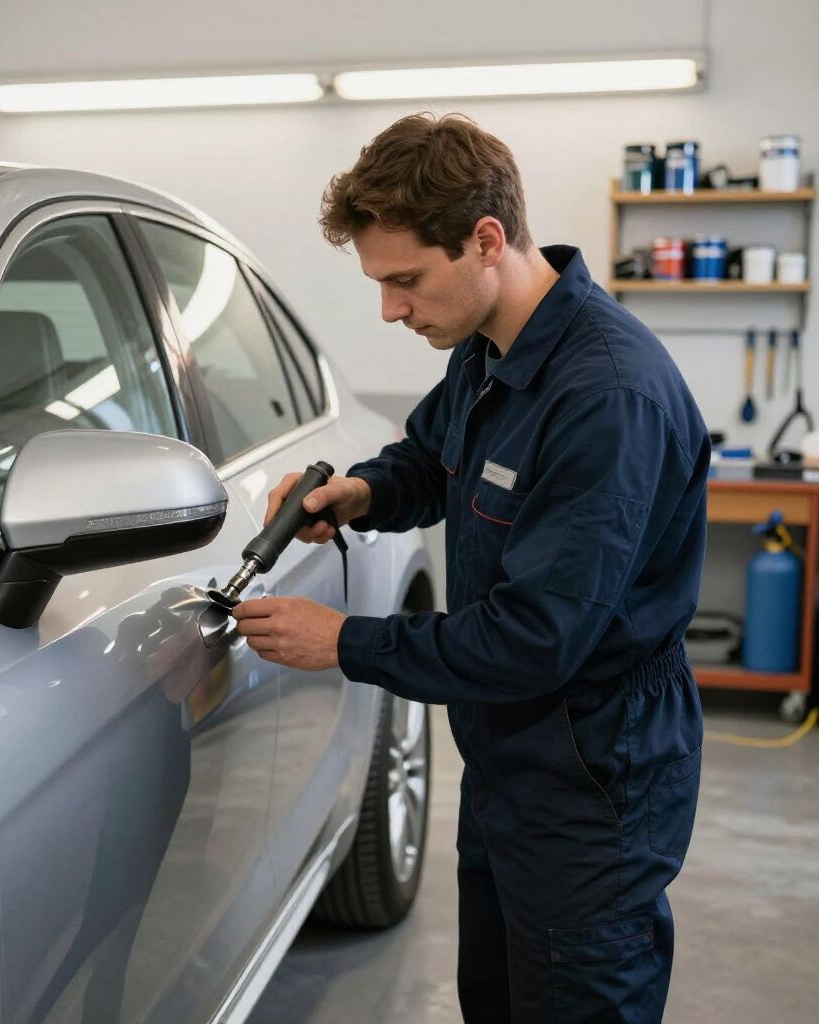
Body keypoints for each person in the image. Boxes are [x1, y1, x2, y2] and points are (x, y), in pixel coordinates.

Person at [232, 112, 709, 1023]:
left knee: (574, 1002)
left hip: (594, 777)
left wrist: (346, 642)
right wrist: (360, 494)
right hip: (512, 762)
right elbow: (432, 459)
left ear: (485, 240)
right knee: (497, 998)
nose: (391, 309)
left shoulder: (605, 395)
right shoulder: (493, 352)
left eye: (405, 280)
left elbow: (536, 640)